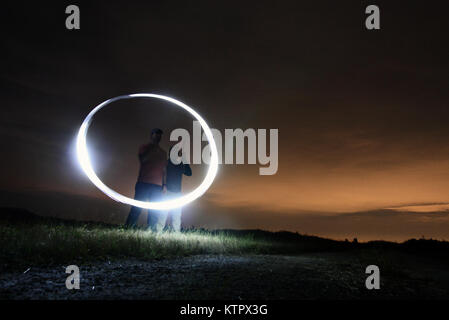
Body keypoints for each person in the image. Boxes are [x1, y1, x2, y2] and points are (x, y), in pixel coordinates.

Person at [125, 128, 167, 231]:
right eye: (156, 134)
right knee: (137, 208)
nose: (158, 136)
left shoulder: (163, 152)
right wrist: (153, 149)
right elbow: (143, 159)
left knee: (154, 210)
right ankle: (128, 228)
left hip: (157, 186)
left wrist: (164, 184)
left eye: (160, 135)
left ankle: (150, 231)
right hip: (144, 183)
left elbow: (164, 170)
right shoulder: (144, 147)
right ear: (151, 135)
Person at [163, 146, 192, 232]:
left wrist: (185, 161)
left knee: (176, 214)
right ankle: (159, 232)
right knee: (163, 213)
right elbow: (162, 174)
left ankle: (176, 233)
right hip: (167, 191)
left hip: (177, 193)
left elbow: (189, 173)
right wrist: (163, 186)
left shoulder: (179, 164)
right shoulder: (166, 163)